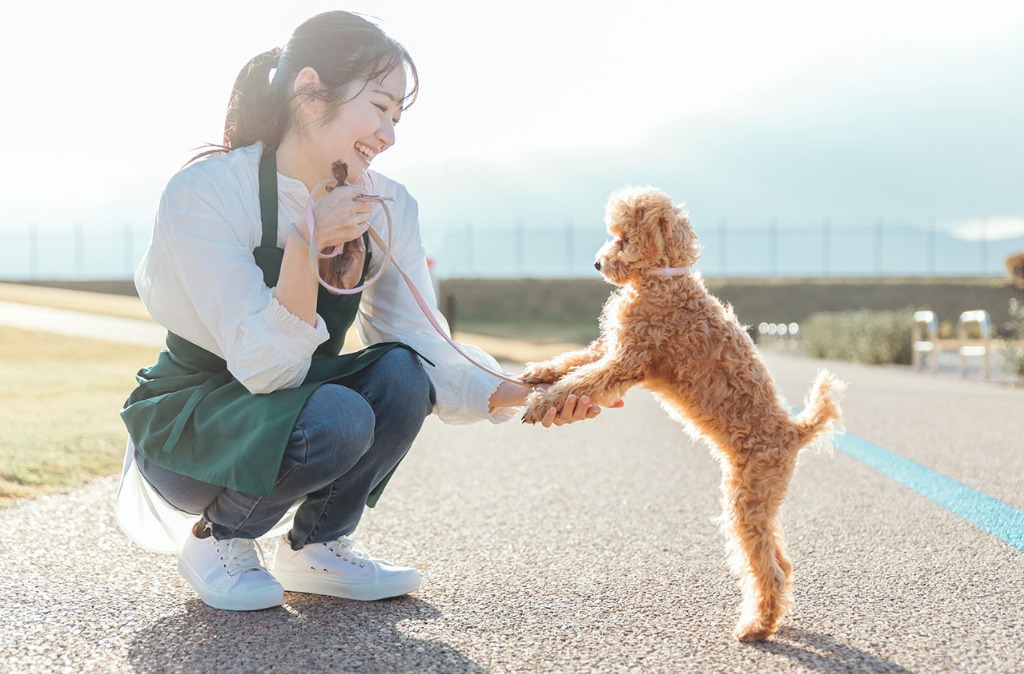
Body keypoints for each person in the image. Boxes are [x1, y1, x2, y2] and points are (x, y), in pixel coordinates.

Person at [116, 10, 614, 612]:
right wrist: (304, 245)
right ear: (308, 93)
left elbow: (425, 343)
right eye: (379, 107)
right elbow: (264, 368)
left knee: (401, 374)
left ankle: (316, 545)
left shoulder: (387, 206)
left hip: (294, 404)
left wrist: (528, 391)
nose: (390, 134)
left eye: (397, 116)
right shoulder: (206, 193)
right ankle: (221, 537)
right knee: (340, 416)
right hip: (193, 425)